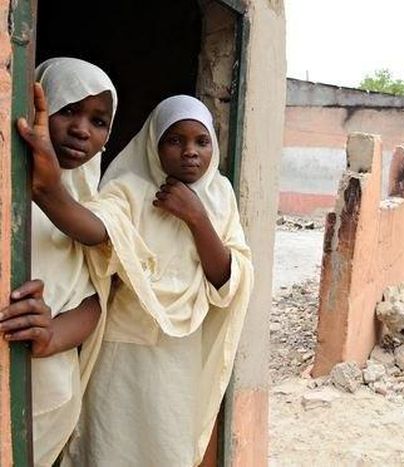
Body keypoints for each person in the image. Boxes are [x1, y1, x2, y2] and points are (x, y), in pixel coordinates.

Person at [19, 93, 254, 466]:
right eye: (175, 140)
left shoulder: (220, 196)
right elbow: (96, 229)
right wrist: (49, 191)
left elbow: (228, 279)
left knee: (166, 450)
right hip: (121, 355)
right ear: (153, 143)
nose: (190, 151)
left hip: (178, 359)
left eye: (201, 141)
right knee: (110, 448)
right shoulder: (129, 189)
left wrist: (196, 217)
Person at [1, 57, 117, 467]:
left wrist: (51, 334)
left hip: (50, 394)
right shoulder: (6, 190)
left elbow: (97, 300)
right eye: (68, 109)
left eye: (99, 121)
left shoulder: (97, 206)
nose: (82, 129)